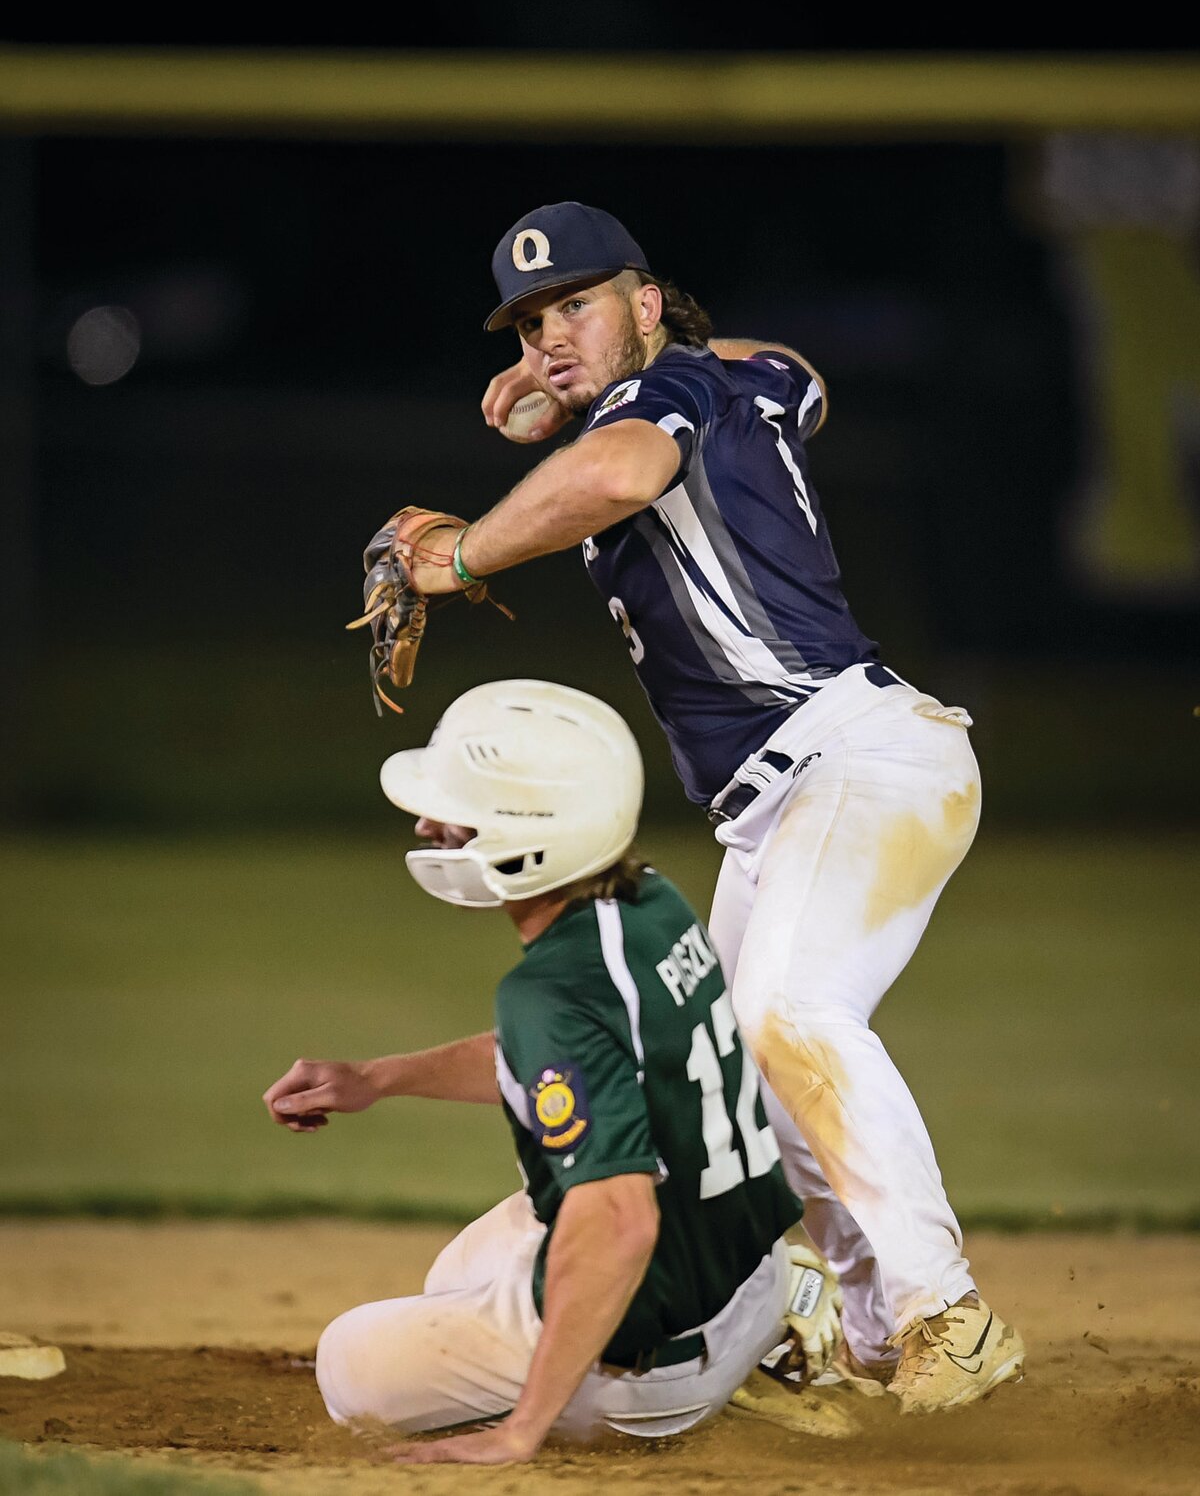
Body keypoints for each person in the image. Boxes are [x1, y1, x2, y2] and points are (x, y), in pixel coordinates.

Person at [361, 201, 1025, 1413]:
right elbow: (801, 373)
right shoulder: (732, 380)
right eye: (529, 321)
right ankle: (856, 1332)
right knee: (714, 1078)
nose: (551, 336)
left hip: (852, 755)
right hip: (797, 792)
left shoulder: (649, 405)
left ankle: (946, 1312)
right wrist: (580, 378)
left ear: (648, 301)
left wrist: (460, 557)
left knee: (783, 1011)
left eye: (576, 304)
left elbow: (615, 473)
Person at [263, 679, 850, 1464]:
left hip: (657, 1368)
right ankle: (776, 1326)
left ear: (531, 831)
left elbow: (620, 1222)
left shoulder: (549, 991)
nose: (427, 824)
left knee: (349, 1367)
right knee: (462, 1268)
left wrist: (519, 1431)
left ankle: (619, 1402)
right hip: (750, 1274)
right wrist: (378, 1078)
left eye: (459, 810)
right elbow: (567, 1057)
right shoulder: (650, 903)